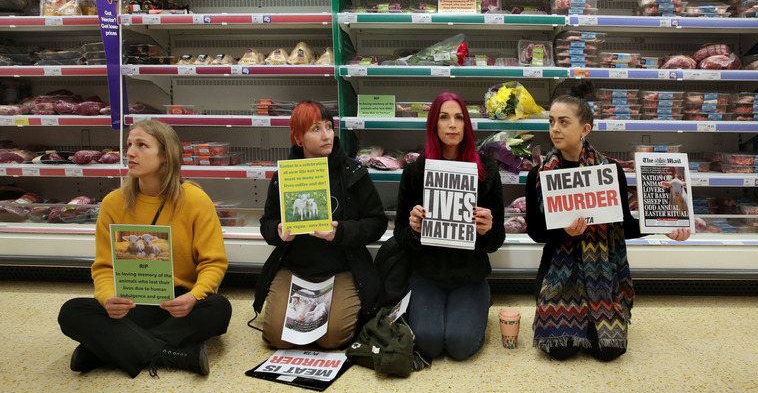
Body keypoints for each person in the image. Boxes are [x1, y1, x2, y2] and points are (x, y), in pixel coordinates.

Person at [525, 82, 690, 361]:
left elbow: (623, 224)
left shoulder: (610, 170)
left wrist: (663, 227)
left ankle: (594, 315)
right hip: (558, 272)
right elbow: (535, 233)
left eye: (564, 122)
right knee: (559, 350)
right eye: (552, 121)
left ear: (585, 129)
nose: (555, 129)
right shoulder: (538, 175)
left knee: (610, 351)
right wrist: (561, 229)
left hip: (603, 272)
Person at [58, 119, 232, 378]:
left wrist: (194, 296)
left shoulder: (195, 199)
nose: (129, 152)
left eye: (141, 145)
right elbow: (104, 266)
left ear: (165, 155)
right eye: (129, 144)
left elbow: (213, 262)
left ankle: (102, 350)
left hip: (176, 303)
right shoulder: (113, 203)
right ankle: (173, 354)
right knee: (71, 312)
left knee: (219, 308)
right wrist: (108, 299)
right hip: (131, 300)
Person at [253, 100, 387, 349]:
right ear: (298, 138)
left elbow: (377, 222)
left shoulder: (353, 172)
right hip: (294, 269)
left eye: (329, 126)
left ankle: (334, 310)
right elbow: (266, 222)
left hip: (342, 269)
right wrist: (277, 231)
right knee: (277, 338)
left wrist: (341, 232)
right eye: (316, 129)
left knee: (332, 339)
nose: (327, 135)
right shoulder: (284, 176)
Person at [394, 92, 505, 361]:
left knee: (460, 346)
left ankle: (477, 301)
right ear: (433, 125)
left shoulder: (486, 171)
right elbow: (399, 235)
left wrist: (487, 230)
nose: (452, 124)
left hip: (469, 275)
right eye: (444, 117)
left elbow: (497, 238)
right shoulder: (415, 172)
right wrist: (413, 229)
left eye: (459, 118)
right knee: (429, 344)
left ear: (467, 125)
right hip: (427, 274)